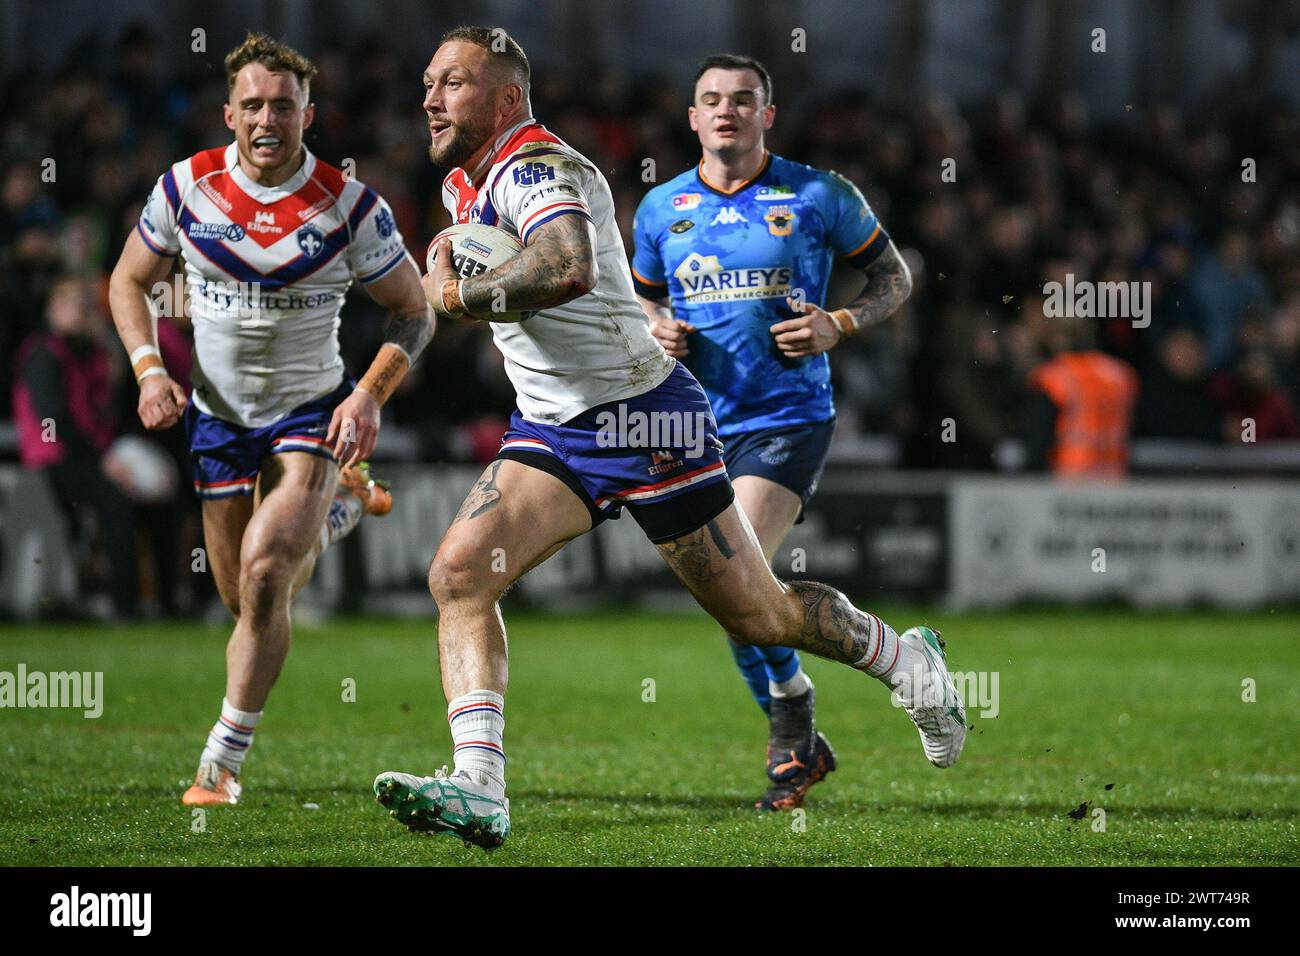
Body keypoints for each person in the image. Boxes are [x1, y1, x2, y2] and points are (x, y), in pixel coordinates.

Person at [372, 27, 965, 851]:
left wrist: (461, 298)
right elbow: (613, 290)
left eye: (452, 83)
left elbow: (568, 268)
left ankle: (906, 662)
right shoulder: (465, 189)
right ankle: (480, 785)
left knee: (760, 616)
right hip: (555, 426)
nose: (430, 98)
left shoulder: (539, 168)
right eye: (428, 82)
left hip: (647, 420)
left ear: (506, 98)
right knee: (460, 574)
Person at [107, 33, 433, 806]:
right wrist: (150, 370)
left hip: (311, 412)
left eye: (283, 105)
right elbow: (126, 281)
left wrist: (368, 395)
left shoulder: (351, 206)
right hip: (217, 421)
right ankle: (342, 508)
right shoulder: (185, 189)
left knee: (264, 572)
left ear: (306, 115)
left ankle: (220, 764)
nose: (267, 118)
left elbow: (414, 314)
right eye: (252, 104)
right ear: (228, 113)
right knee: (245, 598)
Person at [630, 54, 914, 810]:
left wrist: (838, 321)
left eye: (744, 99)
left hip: (787, 415)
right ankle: (794, 703)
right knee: (732, 594)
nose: (727, 110)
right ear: (692, 117)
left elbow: (895, 279)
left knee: (741, 563)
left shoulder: (821, 194)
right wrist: (655, 327)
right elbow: (640, 300)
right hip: (694, 424)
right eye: (712, 100)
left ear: (767, 114)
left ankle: (801, 719)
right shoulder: (660, 209)